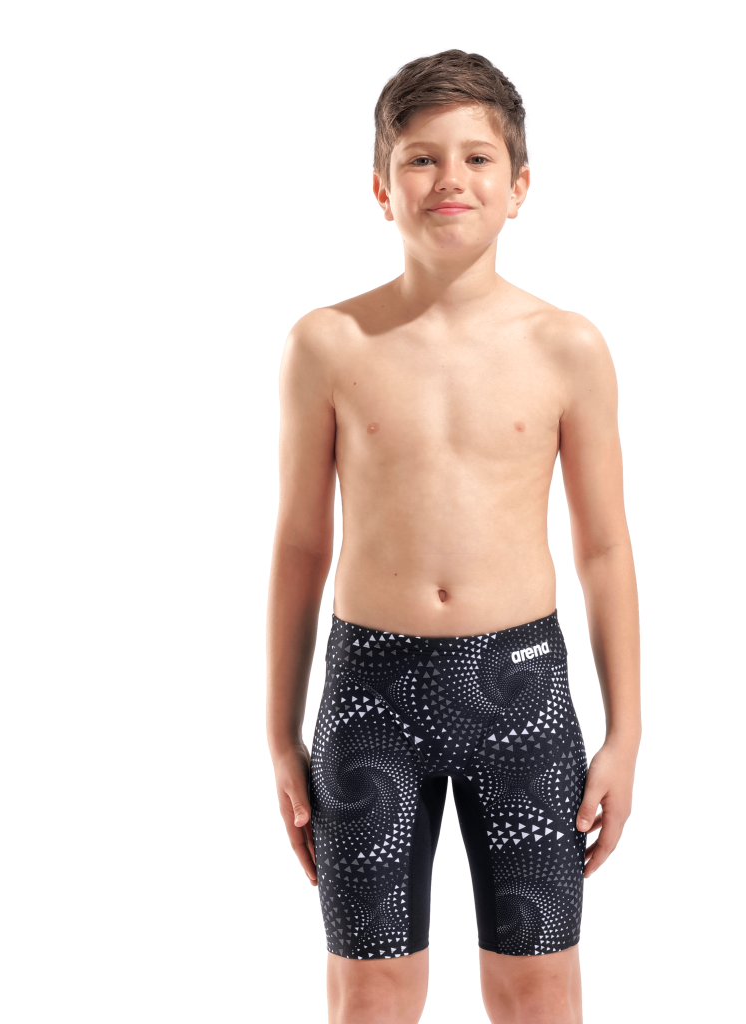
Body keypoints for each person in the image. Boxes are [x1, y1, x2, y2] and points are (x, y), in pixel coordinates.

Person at [265, 46, 641, 1024]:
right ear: (381, 188)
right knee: (370, 989)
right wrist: (279, 728)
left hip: (523, 694)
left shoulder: (567, 345)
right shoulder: (327, 342)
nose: (449, 179)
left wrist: (627, 730)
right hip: (367, 697)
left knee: (538, 985)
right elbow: (300, 544)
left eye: (477, 158)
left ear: (519, 187)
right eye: (421, 159)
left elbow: (603, 550)